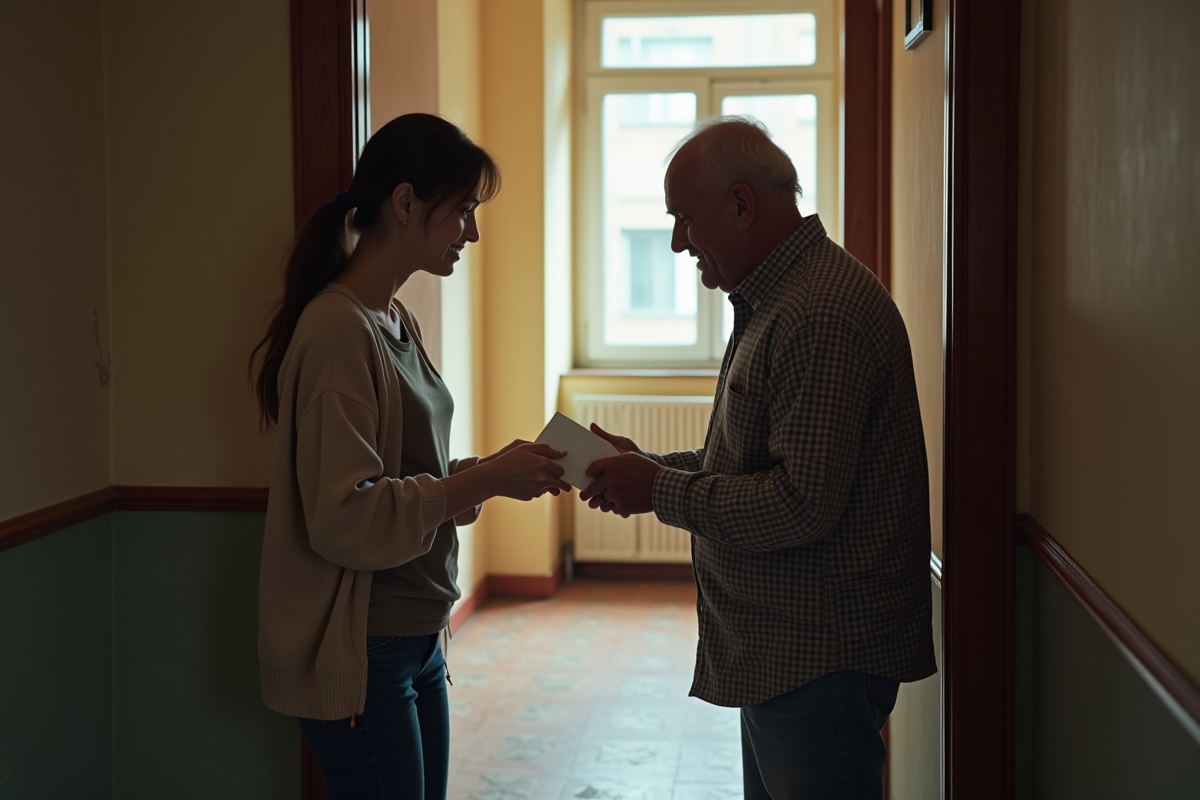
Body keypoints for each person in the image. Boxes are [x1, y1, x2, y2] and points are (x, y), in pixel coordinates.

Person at [578, 117, 936, 799]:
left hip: (818, 659)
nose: (678, 240)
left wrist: (657, 489)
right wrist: (649, 468)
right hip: (785, 650)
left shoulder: (816, 314)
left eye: (684, 218)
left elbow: (799, 504)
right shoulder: (779, 300)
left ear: (741, 205)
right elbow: (753, 464)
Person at [251, 113, 571, 799]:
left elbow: (401, 482)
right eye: (461, 211)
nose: (472, 233)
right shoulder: (339, 330)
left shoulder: (396, 319)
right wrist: (484, 478)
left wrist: (491, 473)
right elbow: (347, 517)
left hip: (417, 641)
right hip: (367, 651)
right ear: (404, 204)